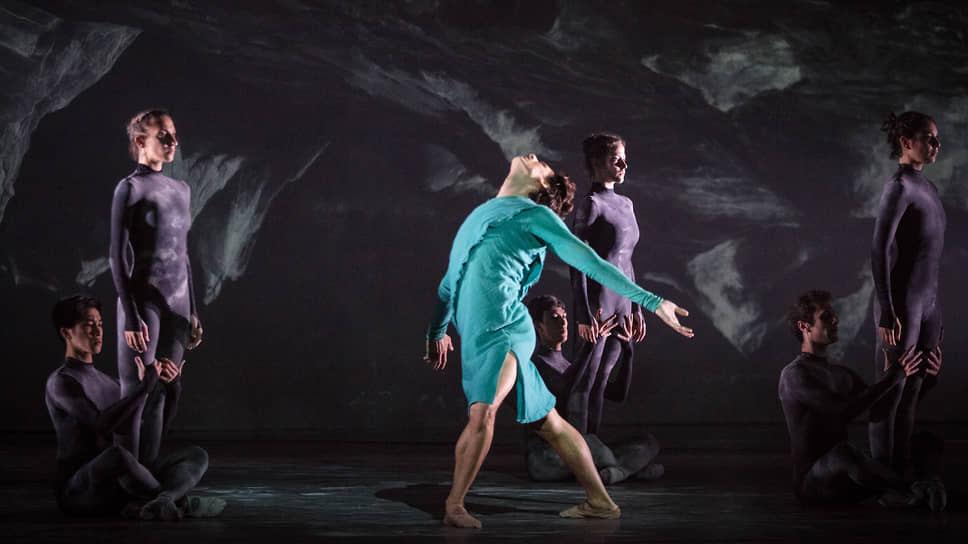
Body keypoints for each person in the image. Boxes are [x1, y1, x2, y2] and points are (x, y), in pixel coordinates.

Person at [425, 153, 693, 528]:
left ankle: (454, 505)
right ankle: (600, 501)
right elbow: (448, 285)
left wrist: (651, 301)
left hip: (506, 329)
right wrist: (436, 333)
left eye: (544, 167)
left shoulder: (537, 217)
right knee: (551, 424)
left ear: (540, 186)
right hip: (478, 336)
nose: (535, 157)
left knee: (482, 413)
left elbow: (590, 262)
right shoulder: (482, 215)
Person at [45, 295, 223, 519]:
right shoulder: (61, 382)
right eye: (89, 325)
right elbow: (102, 426)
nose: (98, 332)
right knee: (116, 455)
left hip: (123, 483)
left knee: (196, 455)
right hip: (80, 492)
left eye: (100, 324)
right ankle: (177, 501)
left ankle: (162, 500)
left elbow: (159, 429)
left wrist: (171, 387)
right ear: (66, 333)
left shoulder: (111, 383)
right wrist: (143, 389)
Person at [778, 291, 944, 510]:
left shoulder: (841, 374)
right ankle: (910, 490)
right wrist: (894, 376)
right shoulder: (793, 375)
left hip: (846, 478)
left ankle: (919, 486)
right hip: (813, 485)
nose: (835, 320)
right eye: (826, 317)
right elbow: (842, 411)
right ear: (804, 326)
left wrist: (927, 378)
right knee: (843, 453)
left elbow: (883, 408)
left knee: (924, 439)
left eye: (833, 315)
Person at [110, 109, 203, 463]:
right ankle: (123, 476)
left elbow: (183, 253)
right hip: (143, 300)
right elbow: (117, 256)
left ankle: (145, 475)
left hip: (178, 305)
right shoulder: (130, 188)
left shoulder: (182, 189)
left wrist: (193, 311)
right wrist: (131, 315)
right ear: (140, 141)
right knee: (136, 392)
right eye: (164, 135)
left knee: (162, 391)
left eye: (174, 134)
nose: (173, 141)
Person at [870, 111, 945, 476]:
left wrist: (934, 309)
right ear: (906, 142)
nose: (936, 144)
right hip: (902, 304)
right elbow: (879, 248)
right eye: (929, 138)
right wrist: (887, 311)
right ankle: (881, 476)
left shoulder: (927, 187)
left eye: (937, 138)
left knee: (914, 387)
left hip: (927, 304)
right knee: (892, 389)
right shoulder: (898, 187)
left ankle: (900, 472)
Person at [525, 295, 663, 485]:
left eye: (564, 317)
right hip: (545, 457)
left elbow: (617, 394)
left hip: (577, 447)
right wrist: (591, 345)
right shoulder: (535, 365)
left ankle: (619, 471)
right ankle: (627, 470)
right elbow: (568, 389)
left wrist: (627, 351)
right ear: (538, 326)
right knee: (591, 444)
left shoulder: (568, 365)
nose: (563, 323)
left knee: (648, 443)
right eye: (555, 318)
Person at [568, 133, 646, 434]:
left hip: (623, 304)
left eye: (624, 159)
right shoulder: (591, 205)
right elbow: (576, 262)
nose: (624, 165)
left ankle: (593, 445)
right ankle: (577, 449)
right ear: (597, 163)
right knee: (585, 383)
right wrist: (583, 314)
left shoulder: (627, 203)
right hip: (598, 304)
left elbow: (626, 261)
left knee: (601, 382)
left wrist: (637, 307)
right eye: (616, 160)